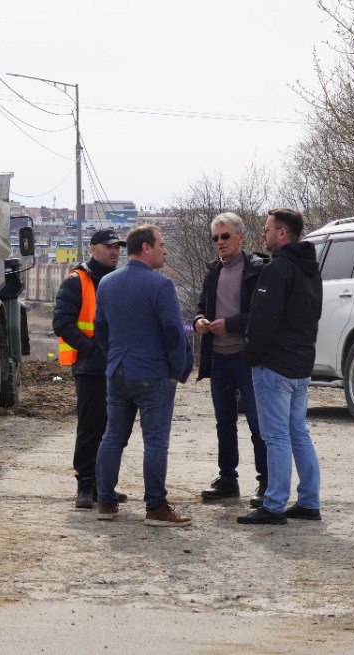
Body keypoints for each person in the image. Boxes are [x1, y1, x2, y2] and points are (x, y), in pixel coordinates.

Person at [93, 224, 194, 526]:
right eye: (161, 244)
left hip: (118, 371)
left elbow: (101, 330)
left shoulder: (107, 283)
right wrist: (178, 371)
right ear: (146, 248)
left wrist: (113, 358)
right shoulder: (160, 285)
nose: (165, 250)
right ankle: (156, 508)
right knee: (155, 442)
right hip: (153, 374)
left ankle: (106, 502)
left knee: (112, 437)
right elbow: (174, 333)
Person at [238, 208, 323, 525]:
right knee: (298, 432)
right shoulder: (311, 270)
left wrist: (250, 354)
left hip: (275, 365)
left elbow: (262, 321)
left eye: (267, 229)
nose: (264, 235)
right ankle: (309, 501)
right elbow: (313, 317)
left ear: (283, 233)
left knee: (275, 435)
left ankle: (273, 505)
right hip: (301, 364)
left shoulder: (277, 271)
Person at [193, 212, 269, 506]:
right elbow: (202, 307)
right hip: (220, 359)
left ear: (240, 236)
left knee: (257, 423)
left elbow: (262, 316)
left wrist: (231, 324)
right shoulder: (213, 271)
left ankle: (266, 482)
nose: (220, 242)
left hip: (246, 357)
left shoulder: (257, 269)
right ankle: (227, 479)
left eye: (225, 236)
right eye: (215, 238)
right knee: (224, 422)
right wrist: (201, 321)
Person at [52, 229, 128, 509]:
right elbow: (62, 323)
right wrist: (93, 350)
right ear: (93, 249)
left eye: (117, 247)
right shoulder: (76, 281)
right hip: (91, 367)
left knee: (114, 429)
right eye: (109, 247)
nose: (114, 252)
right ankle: (85, 484)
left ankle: (104, 485)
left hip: (118, 366)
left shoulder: (118, 281)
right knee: (91, 427)